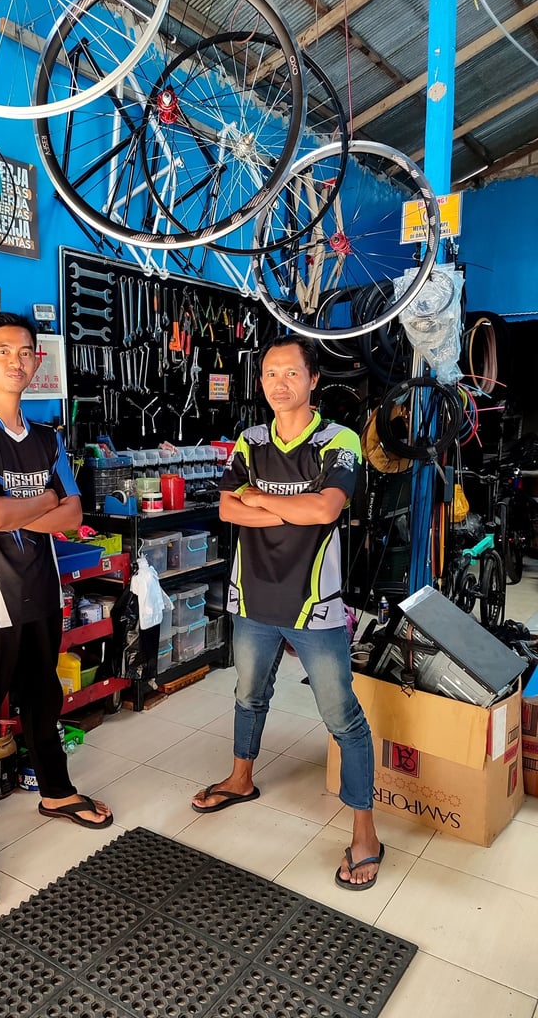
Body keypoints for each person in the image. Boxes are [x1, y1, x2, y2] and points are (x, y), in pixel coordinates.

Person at [192, 334, 384, 890]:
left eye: (292, 373)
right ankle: (240, 778)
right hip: (252, 596)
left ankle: (365, 832)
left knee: (342, 717)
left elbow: (326, 509)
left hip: (315, 603)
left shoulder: (337, 440)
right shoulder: (250, 441)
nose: (280, 383)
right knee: (248, 694)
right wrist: (287, 510)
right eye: (270, 373)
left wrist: (261, 499)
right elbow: (228, 509)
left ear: (313, 380)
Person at [0, 311, 112, 911]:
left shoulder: (49, 438)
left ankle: (56, 792)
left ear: (38, 361)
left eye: (25, 352)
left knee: (44, 701)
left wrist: (24, 506)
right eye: (3, 351)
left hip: (41, 591)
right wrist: (42, 500)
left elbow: (74, 516)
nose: (16, 361)